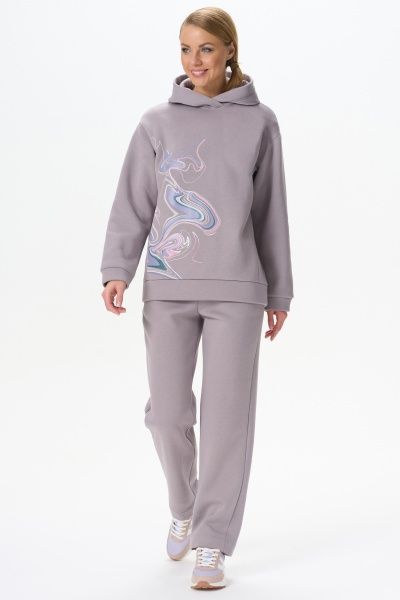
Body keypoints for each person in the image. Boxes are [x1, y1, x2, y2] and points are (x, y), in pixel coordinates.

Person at [100, 7, 294, 591]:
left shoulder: (260, 122)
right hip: (169, 287)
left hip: (238, 289)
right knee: (166, 414)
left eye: (206, 48)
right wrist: (118, 268)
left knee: (227, 420)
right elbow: (134, 201)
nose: (195, 60)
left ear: (229, 50)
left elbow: (271, 212)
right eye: (185, 49)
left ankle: (212, 540)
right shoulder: (156, 123)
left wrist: (280, 289)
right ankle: (183, 506)